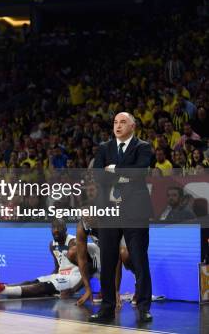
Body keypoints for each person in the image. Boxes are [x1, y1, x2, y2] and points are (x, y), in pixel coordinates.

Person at [91, 112, 153, 323]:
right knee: (107, 261)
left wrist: (115, 170)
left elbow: (139, 172)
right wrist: (124, 174)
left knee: (139, 259)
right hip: (109, 211)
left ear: (133, 126)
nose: (118, 125)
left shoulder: (142, 147)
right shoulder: (104, 148)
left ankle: (143, 307)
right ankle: (107, 308)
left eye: (123, 122)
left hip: (135, 211)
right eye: (115, 122)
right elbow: (98, 175)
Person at [0, 219, 85, 299]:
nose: (55, 230)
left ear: (65, 229)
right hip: (60, 275)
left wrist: (74, 290)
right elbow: (57, 267)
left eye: (59, 228)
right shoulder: (52, 244)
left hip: (73, 278)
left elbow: (88, 268)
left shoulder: (73, 243)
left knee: (40, 287)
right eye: (53, 228)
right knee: (31, 282)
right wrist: (49, 277)